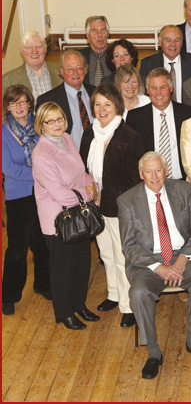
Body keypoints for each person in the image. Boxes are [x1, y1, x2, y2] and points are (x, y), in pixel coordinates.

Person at [117, 152, 191, 379]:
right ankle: (153, 351)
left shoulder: (182, 190)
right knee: (138, 293)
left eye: (158, 170)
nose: (154, 176)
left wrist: (182, 259)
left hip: (182, 256)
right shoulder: (127, 200)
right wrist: (159, 267)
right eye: (148, 171)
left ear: (166, 170)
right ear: (141, 174)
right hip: (147, 262)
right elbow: (129, 246)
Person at [79, 84, 144, 328]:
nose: (102, 109)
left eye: (107, 104)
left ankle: (128, 305)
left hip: (119, 208)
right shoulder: (90, 133)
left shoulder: (130, 136)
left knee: (121, 256)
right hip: (95, 205)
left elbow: (136, 179)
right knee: (105, 254)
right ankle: (114, 295)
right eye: (97, 104)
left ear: (117, 106)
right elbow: (83, 168)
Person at [31, 101, 99, 330]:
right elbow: (59, 193)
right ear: (42, 125)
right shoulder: (41, 154)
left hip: (77, 214)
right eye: (50, 121)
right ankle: (63, 312)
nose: (57, 124)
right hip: (58, 220)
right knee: (62, 269)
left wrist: (90, 183)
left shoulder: (68, 138)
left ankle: (79, 304)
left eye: (59, 118)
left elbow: (81, 170)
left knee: (81, 263)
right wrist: (87, 196)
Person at [2, 85, 51, 315]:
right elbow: (8, 168)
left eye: (23, 102)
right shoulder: (3, 132)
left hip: (44, 192)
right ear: (8, 107)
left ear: (30, 103)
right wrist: (36, 174)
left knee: (42, 244)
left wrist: (42, 177)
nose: (19, 107)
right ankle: (9, 295)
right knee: (17, 249)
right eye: (14, 103)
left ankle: (43, 285)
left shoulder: (41, 125)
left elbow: (51, 154)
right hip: (18, 196)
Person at [126, 68, 191, 180]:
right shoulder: (135, 117)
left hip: (183, 183)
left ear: (171, 88)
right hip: (150, 183)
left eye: (163, 87)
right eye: (153, 88)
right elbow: (131, 158)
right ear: (147, 90)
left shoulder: (188, 114)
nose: (158, 93)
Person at [36, 50, 96, 149]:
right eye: (70, 69)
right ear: (62, 71)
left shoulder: (97, 92)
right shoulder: (47, 100)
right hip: (67, 158)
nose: (75, 73)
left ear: (85, 70)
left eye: (79, 68)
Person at [139, 25, 191, 103]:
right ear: (160, 42)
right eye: (168, 40)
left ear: (181, 43)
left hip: (189, 112)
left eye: (177, 40)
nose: (173, 44)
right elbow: (144, 94)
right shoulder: (148, 64)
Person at [2, 31, 62, 105]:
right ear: (22, 52)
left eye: (38, 47)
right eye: (29, 48)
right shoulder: (7, 81)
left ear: (45, 49)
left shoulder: (62, 72)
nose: (35, 51)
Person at [80, 16, 112, 86]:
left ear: (108, 33)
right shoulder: (80, 57)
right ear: (87, 35)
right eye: (94, 31)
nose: (100, 35)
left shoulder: (116, 56)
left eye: (103, 30)